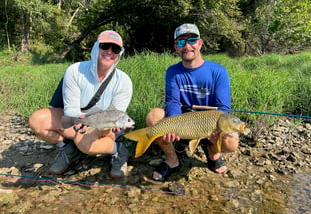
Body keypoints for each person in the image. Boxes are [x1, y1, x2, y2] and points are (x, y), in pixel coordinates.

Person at [28, 30, 133, 178]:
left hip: (103, 123)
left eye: (115, 49)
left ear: (119, 54)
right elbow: (70, 109)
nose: (109, 51)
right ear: (97, 47)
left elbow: (117, 113)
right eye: (105, 46)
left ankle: (118, 150)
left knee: (82, 142)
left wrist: (112, 125)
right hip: (78, 118)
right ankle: (67, 150)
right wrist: (80, 122)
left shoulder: (124, 81)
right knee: (37, 120)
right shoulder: (74, 71)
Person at [146, 23, 239, 181]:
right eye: (181, 42)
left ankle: (213, 154)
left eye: (192, 40)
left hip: (210, 123)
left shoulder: (218, 71)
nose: (187, 46)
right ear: (176, 47)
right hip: (184, 122)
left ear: (200, 43)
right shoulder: (173, 71)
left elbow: (223, 107)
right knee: (153, 116)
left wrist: (217, 132)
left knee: (231, 142)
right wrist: (172, 126)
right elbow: (173, 102)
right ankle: (172, 159)